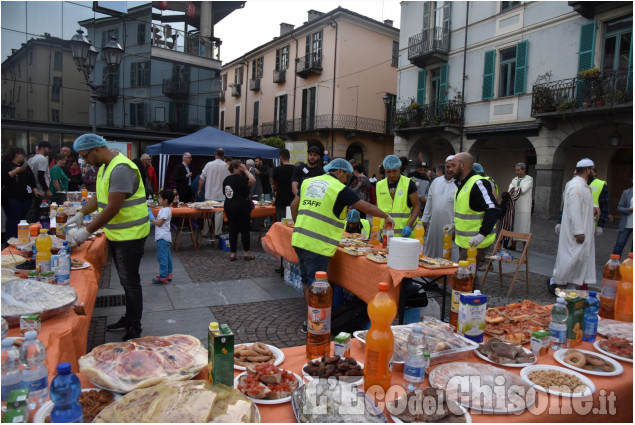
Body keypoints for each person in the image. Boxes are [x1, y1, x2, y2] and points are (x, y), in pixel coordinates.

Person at [291, 158, 394, 332]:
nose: (346, 179)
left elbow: (294, 205)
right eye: (346, 175)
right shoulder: (338, 188)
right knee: (317, 286)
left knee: (307, 281)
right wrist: (386, 216)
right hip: (318, 245)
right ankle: (315, 324)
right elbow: (366, 207)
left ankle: (310, 318)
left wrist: (299, 224)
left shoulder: (308, 182)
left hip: (299, 239)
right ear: (338, 171)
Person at [64, 133, 150, 341]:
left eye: (85, 156)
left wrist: (87, 231)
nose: (85, 161)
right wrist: (80, 213)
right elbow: (98, 198)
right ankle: (129, 318)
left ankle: (134, 326)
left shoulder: (120, 168)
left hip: (130, 235)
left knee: (130, 283)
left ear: (96, 149)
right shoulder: (105, 167)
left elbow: (112, 207)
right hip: (119, 233)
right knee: (126, 281)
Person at [444, 153, 501, 270]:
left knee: (464, 275)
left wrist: (481, 235)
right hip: (466, 241)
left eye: (453, 165)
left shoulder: (477, 183)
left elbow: (493, 209)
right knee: (468, 276)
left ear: (462, 166)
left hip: (476, 241)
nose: (450, 169)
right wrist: (455, 225)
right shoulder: (463, 183)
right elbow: (469, 211)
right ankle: (473, 289)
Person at [550, 158, 597, 294]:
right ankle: (556, 283)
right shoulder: (576, 186)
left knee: (578, 260)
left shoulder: (582, 186)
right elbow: (574, 209)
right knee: (571, 259)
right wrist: (578, 231)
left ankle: (571, 285)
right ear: (588, 170)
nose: (594, 172)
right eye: (592, 169)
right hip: (575, 232)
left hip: (582, 229)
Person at [421, 156, 458, 260]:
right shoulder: (436, 181)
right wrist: (424, 220)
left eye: (453, 166)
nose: (450, 169)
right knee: (431, 255)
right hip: (434, 227)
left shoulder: (459, 184)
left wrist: (457, 229)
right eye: (448, 167)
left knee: (449, 255)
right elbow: (429, 202)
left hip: (450, 227)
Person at [376, 155, 421, 237]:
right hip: (385, 234)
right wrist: (378, 232)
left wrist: (409, 225)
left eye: (394, 171)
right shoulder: (379, 185)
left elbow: (417, 206)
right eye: (388, 172)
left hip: (404, 234)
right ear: (385, 170)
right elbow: (378, 208)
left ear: (399, 168)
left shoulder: (409, 183)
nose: (392, 175)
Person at [1, 147, 40, 239]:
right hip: (12, 197)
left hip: (26, 196)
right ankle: (11, 239)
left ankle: (22, 237)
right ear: (16, 155)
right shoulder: (5, 164)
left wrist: (34, 189)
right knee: (13, 219)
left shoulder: (25, 166)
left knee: (23, 219)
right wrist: (15, 171)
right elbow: (3, 179)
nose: (24, 157)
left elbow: (31, 179)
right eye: (23, 154)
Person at [223, 160, 256, 261]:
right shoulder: (240, 179)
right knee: (245, 230)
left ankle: (233, 254)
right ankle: (247, 253)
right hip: (241, 206)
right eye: (240, 167)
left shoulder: (226, 180)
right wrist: (246, 170)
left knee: (232, 230)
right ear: (236, 168)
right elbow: (253, 179)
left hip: (229, 206)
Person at [198, 148, 230, 240]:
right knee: (219, 213)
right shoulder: (226, 166)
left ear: (215, 154)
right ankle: (217, 233)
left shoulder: (209, 164)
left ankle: (205, 231)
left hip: (210, 192)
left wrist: (199, 189)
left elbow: (202, 177)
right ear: (223, 155)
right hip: (221, 194)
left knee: (208, 212)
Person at [507, 162, 533, 250]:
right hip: (515, 205)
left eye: (518, 170)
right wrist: (517, 188)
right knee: (514, 225)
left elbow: (523, 190)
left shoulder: (529, 179)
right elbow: (509, 190)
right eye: (516, 170)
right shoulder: (514, 179)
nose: (516, 172)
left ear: (524, 170)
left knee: (524, 226)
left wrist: (515, 189)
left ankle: (524, 247)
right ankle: (513, 244)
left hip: (524, 207)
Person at [151, 189, 174, 284]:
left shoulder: (165, 210)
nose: (158, 200)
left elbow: (159, 223)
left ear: (166, 200)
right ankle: (169, 273)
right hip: (166, 237)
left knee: (162, 257)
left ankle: (163, 276)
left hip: (162, 237)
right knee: (167, 256)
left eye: (160, 198)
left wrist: (151, 218)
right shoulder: (166, 209)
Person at [27, 141, 52, 222]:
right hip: (41, 190)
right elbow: (40, 176)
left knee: (34, 211)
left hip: (33, 189)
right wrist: (47, 190)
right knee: (43, 213)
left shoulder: (31, 159)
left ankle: (32, 227)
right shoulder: (42, 159)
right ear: (42, 148)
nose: (49, 151)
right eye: (48, 149)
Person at [271, 148, 295, 222]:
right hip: (292, 200)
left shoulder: (277, 169)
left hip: (280, 200)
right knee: (291, 222)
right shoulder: (295, 169)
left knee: (280, 223)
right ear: (289, 157)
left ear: (280, 157)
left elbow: (272, 181)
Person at [589, 166, 610, 237]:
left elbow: (605, 206)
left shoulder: (600, 184)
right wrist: (560, 221)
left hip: (591, 223)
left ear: (595, 173)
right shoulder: (577, 183)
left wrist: (600, 225)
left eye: (590, 169)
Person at [613, 186, 633, 257]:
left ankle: (632, 266)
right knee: (620, 244)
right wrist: (629, 210)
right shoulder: (627, 192)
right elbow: (620, 207)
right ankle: (614, 264)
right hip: (626, 224)